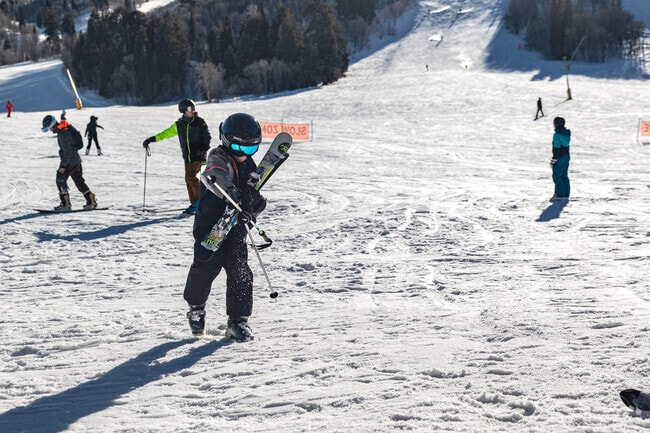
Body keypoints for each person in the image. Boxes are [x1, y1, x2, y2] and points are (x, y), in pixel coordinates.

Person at [183, 113, 267, 341]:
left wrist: (254, 206)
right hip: (212, 226)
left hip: (235, 229)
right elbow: (216, 177)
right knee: (205, 268)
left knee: (240, 271)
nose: (243, 155)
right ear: (227, 142)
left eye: (250, 150)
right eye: (239, 149)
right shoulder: (217, 157)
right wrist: (234, 195)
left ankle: (238, 321)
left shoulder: (247, 164)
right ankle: (196, 308)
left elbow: (251, 196)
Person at [142, 99, 211, 214]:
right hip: (187, 157)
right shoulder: (179, 125)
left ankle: (199, 201)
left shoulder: (199, 122)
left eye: (193, 108)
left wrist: (204, 149)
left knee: (191, 177)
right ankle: (195, 203)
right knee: (188, 179)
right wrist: (151, 139)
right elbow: (166, 133)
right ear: (183, 111)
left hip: (197, 155)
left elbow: (207, 136)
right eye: (190, 109)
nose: (192, 111)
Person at [41, 114, 98, 210]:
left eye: (49, 128)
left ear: (52, 125)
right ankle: (90, 199)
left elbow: (67, 151)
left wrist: (63, 166)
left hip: (70, 161)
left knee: (60, 179)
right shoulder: (64, 130)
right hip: (76, 160)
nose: (50, 130)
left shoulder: (63, 134)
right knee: (79, 181)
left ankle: (65, 204)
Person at [550, 116, 571, 201]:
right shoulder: (566, 133)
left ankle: (560, 195)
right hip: (566, 155)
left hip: (560, 156)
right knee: (563, 175)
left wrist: (554, 159)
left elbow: (557, 147)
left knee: (557, 175)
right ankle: (565, 194)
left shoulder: (557, 134)